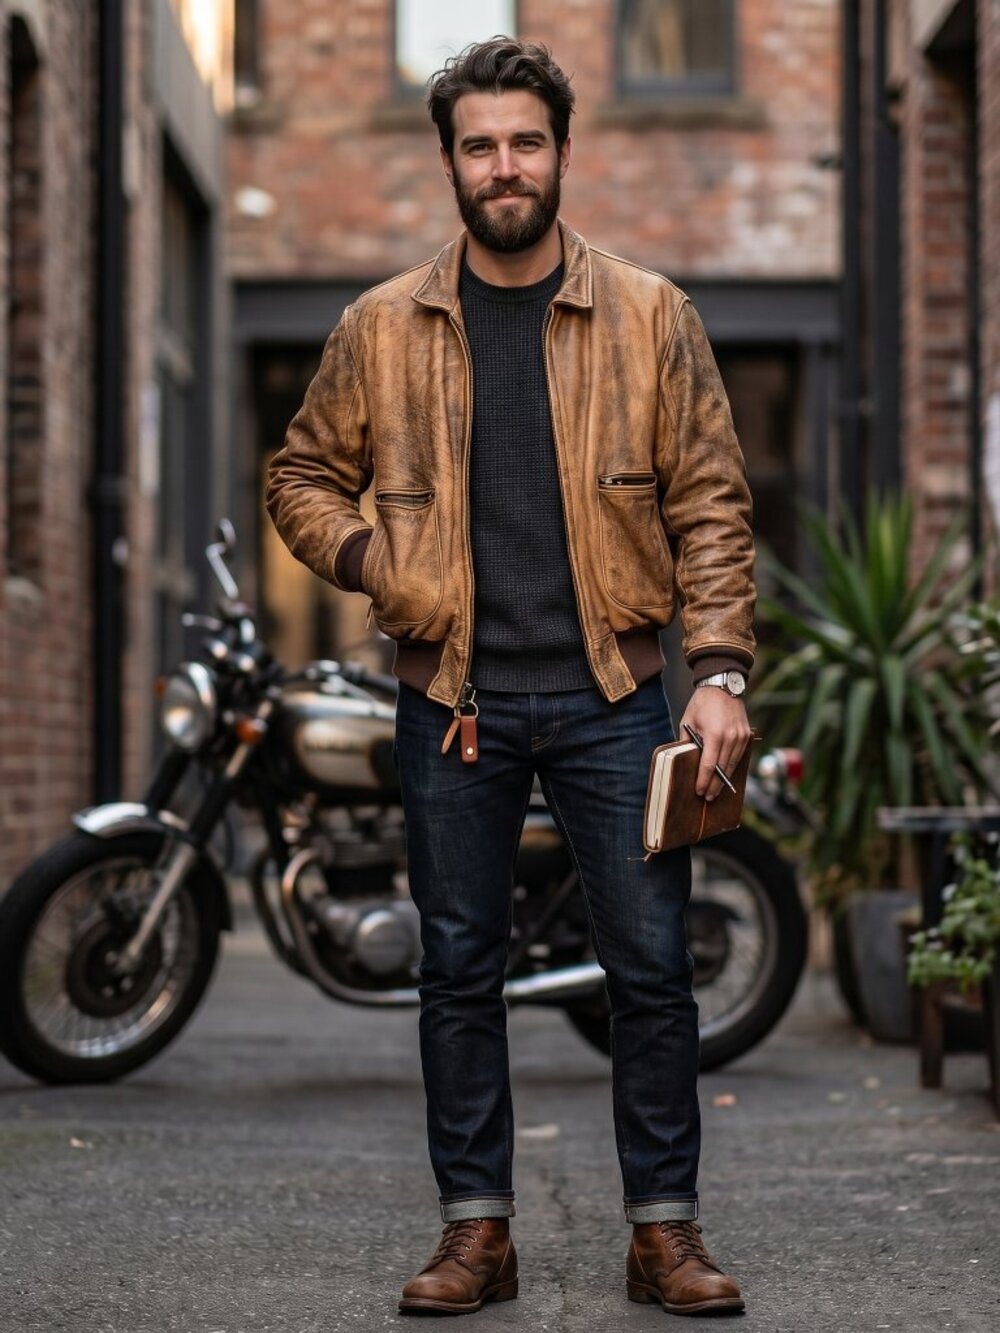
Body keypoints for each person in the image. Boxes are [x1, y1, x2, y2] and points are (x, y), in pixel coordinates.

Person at [266, 37, 754, 1318]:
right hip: (453, 701)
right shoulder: (381, 325)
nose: (503, 166)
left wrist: (718, 673)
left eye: (524, 142)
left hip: (614, 695)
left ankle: (663, 1233)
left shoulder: (651, 314)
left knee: (649, 971)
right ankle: (476, 1230)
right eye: (479, 144)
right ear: (447, 162)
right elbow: (299, 477)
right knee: (458, 969)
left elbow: (709, 505)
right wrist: (374, 555)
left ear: (561, 152)